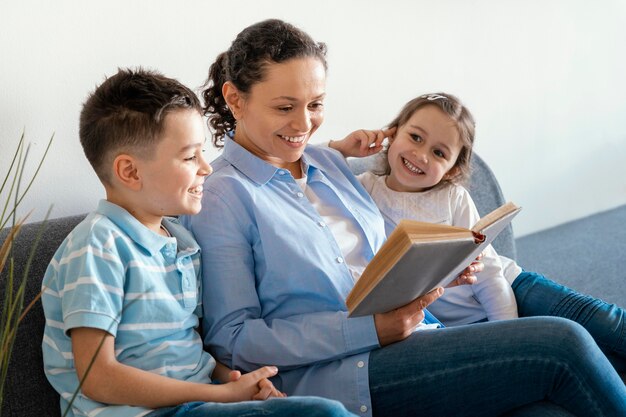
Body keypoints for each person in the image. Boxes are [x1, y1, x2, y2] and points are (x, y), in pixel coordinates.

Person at [183, 19, 626, 417]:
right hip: (345, 371)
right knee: (562, 344)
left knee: (589, 358)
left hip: (419, 334)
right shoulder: (224, 196)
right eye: (285, 107)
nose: (305, 123)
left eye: (315, 104)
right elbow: (234, 340)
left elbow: (372, 266)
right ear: (234, 99)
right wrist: (368, 330)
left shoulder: (328, 164)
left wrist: (440, 271)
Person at [40, 68, 356, 417]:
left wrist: (236, 381)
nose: (206, 167)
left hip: (198, 403)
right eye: (190, 157)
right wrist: (223, 396)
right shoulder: (97, 245)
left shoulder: (181, 241)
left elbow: (186, 350)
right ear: (130, 171)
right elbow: (96, 378)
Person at [329, 92, 626, 373]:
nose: (421, 155)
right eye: (415, 137)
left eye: (438, 152)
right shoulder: (363, 189)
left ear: (452, 169)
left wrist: (508, 335)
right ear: (391, 133)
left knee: (603, 321)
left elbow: (489, 274)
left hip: (509, 287)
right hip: (462, 327)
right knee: (580, 355)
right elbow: (310, 183)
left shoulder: (452, 198)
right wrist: (340, 149)